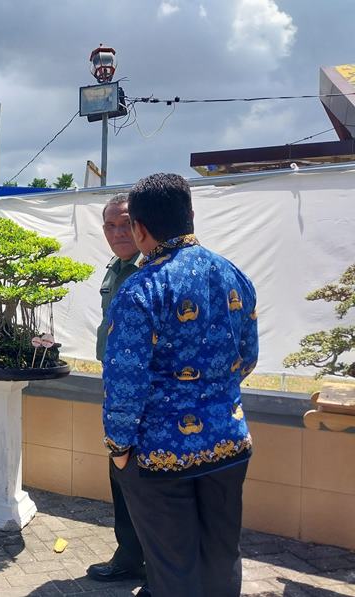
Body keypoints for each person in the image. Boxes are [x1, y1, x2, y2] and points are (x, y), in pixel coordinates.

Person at [102, 173, 258, 597]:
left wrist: (118, 450)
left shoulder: (140, 290)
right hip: (228, 443)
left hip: (160, 456)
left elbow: (124, 383)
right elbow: (247, 357)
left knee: (174, 571)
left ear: (138, 228)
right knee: (222, 559)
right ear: (190, 215)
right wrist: (210, 395)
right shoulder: (234, 276)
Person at [87, 194, 147, 589]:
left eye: (125, 223)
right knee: (121, 478)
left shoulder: (154, 269)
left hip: (146, 397)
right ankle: (128, 556)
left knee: (145, 483)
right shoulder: (117, 268)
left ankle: (154, 566)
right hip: (116, 390)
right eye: (110, 225)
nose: (117, 232)